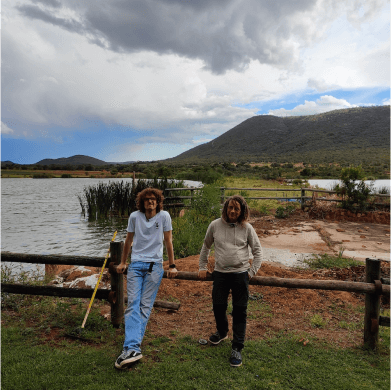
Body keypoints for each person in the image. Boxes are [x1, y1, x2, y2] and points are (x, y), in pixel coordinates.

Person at [115, 188, 178, 369]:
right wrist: (122, 262)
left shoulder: (164, 216)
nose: (150, 202)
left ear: (158, 202)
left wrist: (172, 265)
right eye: (147, 200)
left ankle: (131, 349)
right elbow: (128, 241)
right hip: (135, 265)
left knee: (145, 306)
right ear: (142, 202)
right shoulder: (135, 217)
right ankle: (133, 348)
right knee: (133, 304)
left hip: (155, 266)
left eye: (153, 200)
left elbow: (168, 241)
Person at [198, 195, 263, 367]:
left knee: (240, 311)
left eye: (237, 209)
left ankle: (237, 347)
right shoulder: (214, 225)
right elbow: (206, 246)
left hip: (241, 274)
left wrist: (251, 272)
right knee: (218, 306)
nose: (233, 211)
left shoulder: (247, 228)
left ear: (242, 211)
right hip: (220, 273)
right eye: (230, 208)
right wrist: (202, 267)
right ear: (225, 208)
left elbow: (258, 251)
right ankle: (222, 332)